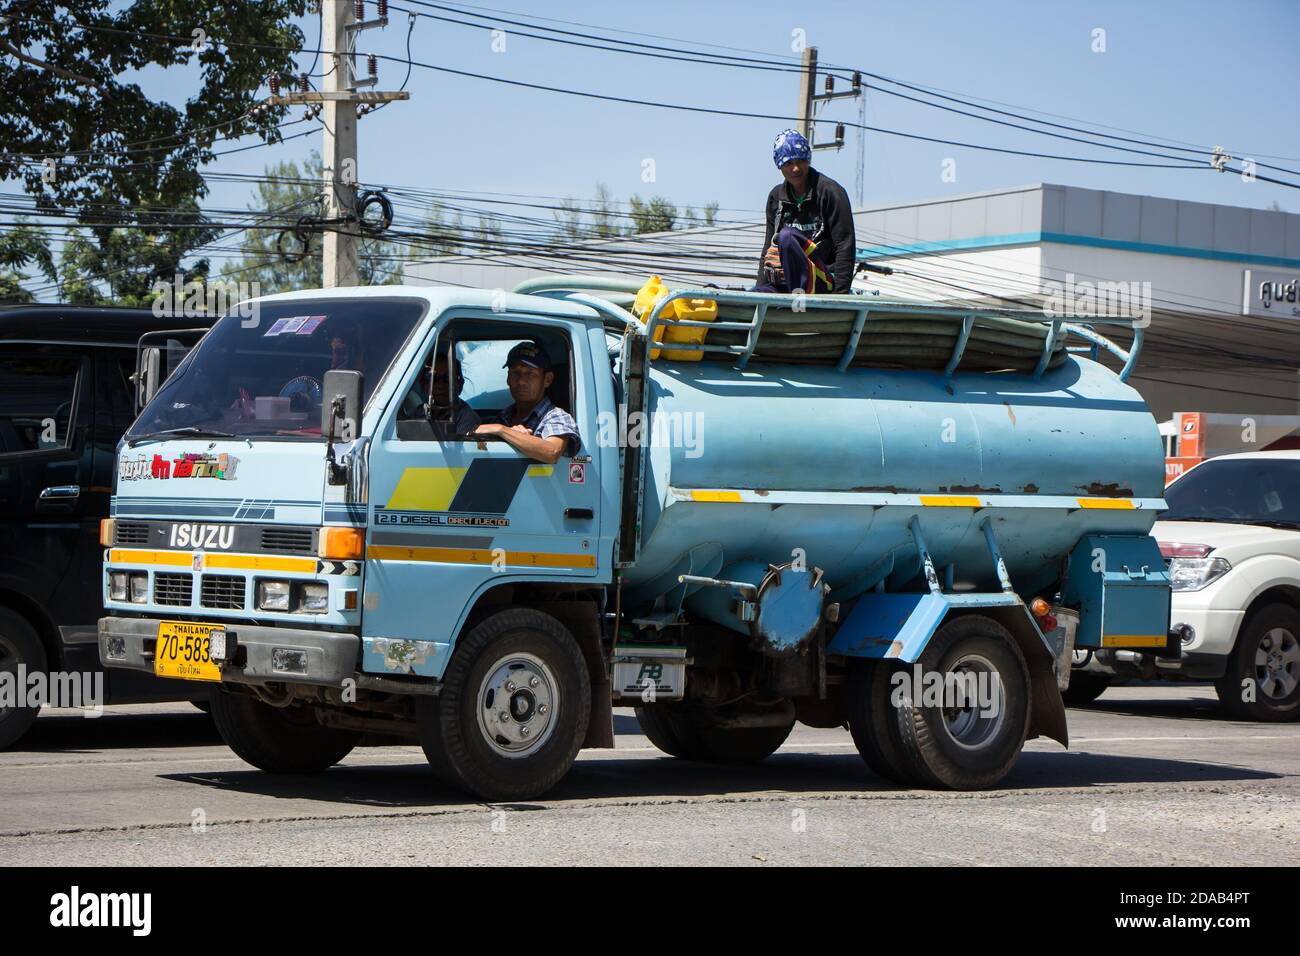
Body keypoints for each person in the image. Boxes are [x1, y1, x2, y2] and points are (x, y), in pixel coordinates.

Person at [754, 128, 856, 295]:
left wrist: (840, 298)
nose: (795, 169)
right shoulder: (776, 197)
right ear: (779, 164)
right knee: (752, 299)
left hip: (822, 279)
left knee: (786, 237)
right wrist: (760, 285)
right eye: (788, 163)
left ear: (808, 159)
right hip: (785, 280)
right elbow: (768, 247)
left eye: (800, 161)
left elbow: (845, 245)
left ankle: (798, 303)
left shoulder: (830, 192)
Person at [471, 342, 579, 464]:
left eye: (530, 374)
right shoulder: (502, 417)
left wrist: (502, 430)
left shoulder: (556, 416)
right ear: (508, 378)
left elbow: (552, 452)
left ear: (547, 379)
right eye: (515, 373)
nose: (521, 381)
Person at [427, 352, 482, 438]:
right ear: (423, 384)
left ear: (460, 385)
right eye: (434, 378)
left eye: (448, 379)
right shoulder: (419, 412)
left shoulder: (467, 418)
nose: (441, 385)